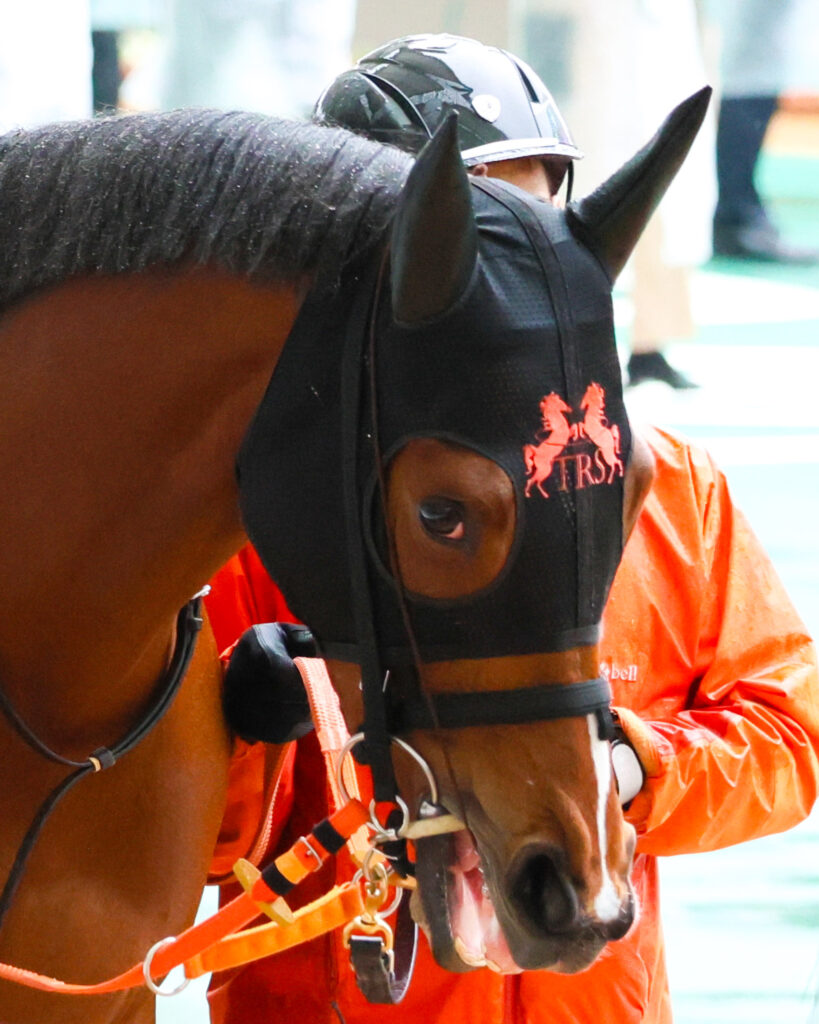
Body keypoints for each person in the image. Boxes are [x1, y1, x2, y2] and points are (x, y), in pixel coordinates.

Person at [203, 35, 819, 1024]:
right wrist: (242, 729)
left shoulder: (674, 488)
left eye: (535, 230)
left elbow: (791, 739)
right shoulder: (257, 515)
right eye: (475, 246)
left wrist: (624, 767)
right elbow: (192, 843)